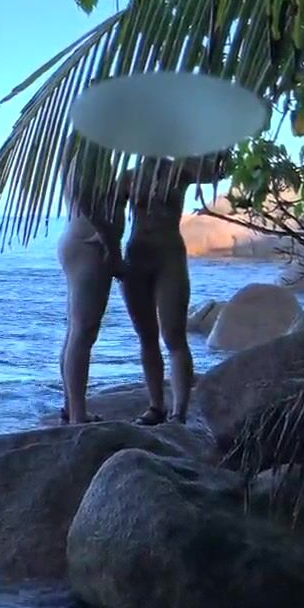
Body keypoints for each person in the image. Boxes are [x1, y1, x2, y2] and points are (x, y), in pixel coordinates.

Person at [119, 153, 223, 425]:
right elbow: (110, 217)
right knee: (146, 337)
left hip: (169, 257)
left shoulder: (180, 169)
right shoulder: (129, 177)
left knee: (174, 335)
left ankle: (179, 413)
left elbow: (217, 172)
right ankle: (156, 407)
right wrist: (110, 258)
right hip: (136, 257)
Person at [58, 151, 127, 424]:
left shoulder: (80, 146)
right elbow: (85, 197)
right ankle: (77, 414)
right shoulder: (90, 148)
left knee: (76, 330)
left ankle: (71, 407)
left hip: (80, 242)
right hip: (89, 245)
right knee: (84, 331)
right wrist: (110, 241)